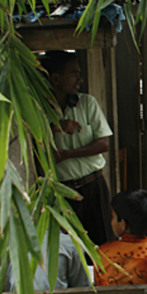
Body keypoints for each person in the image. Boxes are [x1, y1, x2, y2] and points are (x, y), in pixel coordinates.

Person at [44, 50, 113, 245]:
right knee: (71, 247)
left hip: (94, 185)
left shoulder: (87, 103)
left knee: (104, 243)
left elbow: (104, 143)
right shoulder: (39, 109)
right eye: (74, 73)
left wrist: (67, 155)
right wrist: (54, 128)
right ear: (55, 79)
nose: (80, 79)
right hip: (63, 191)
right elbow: (29, 143)